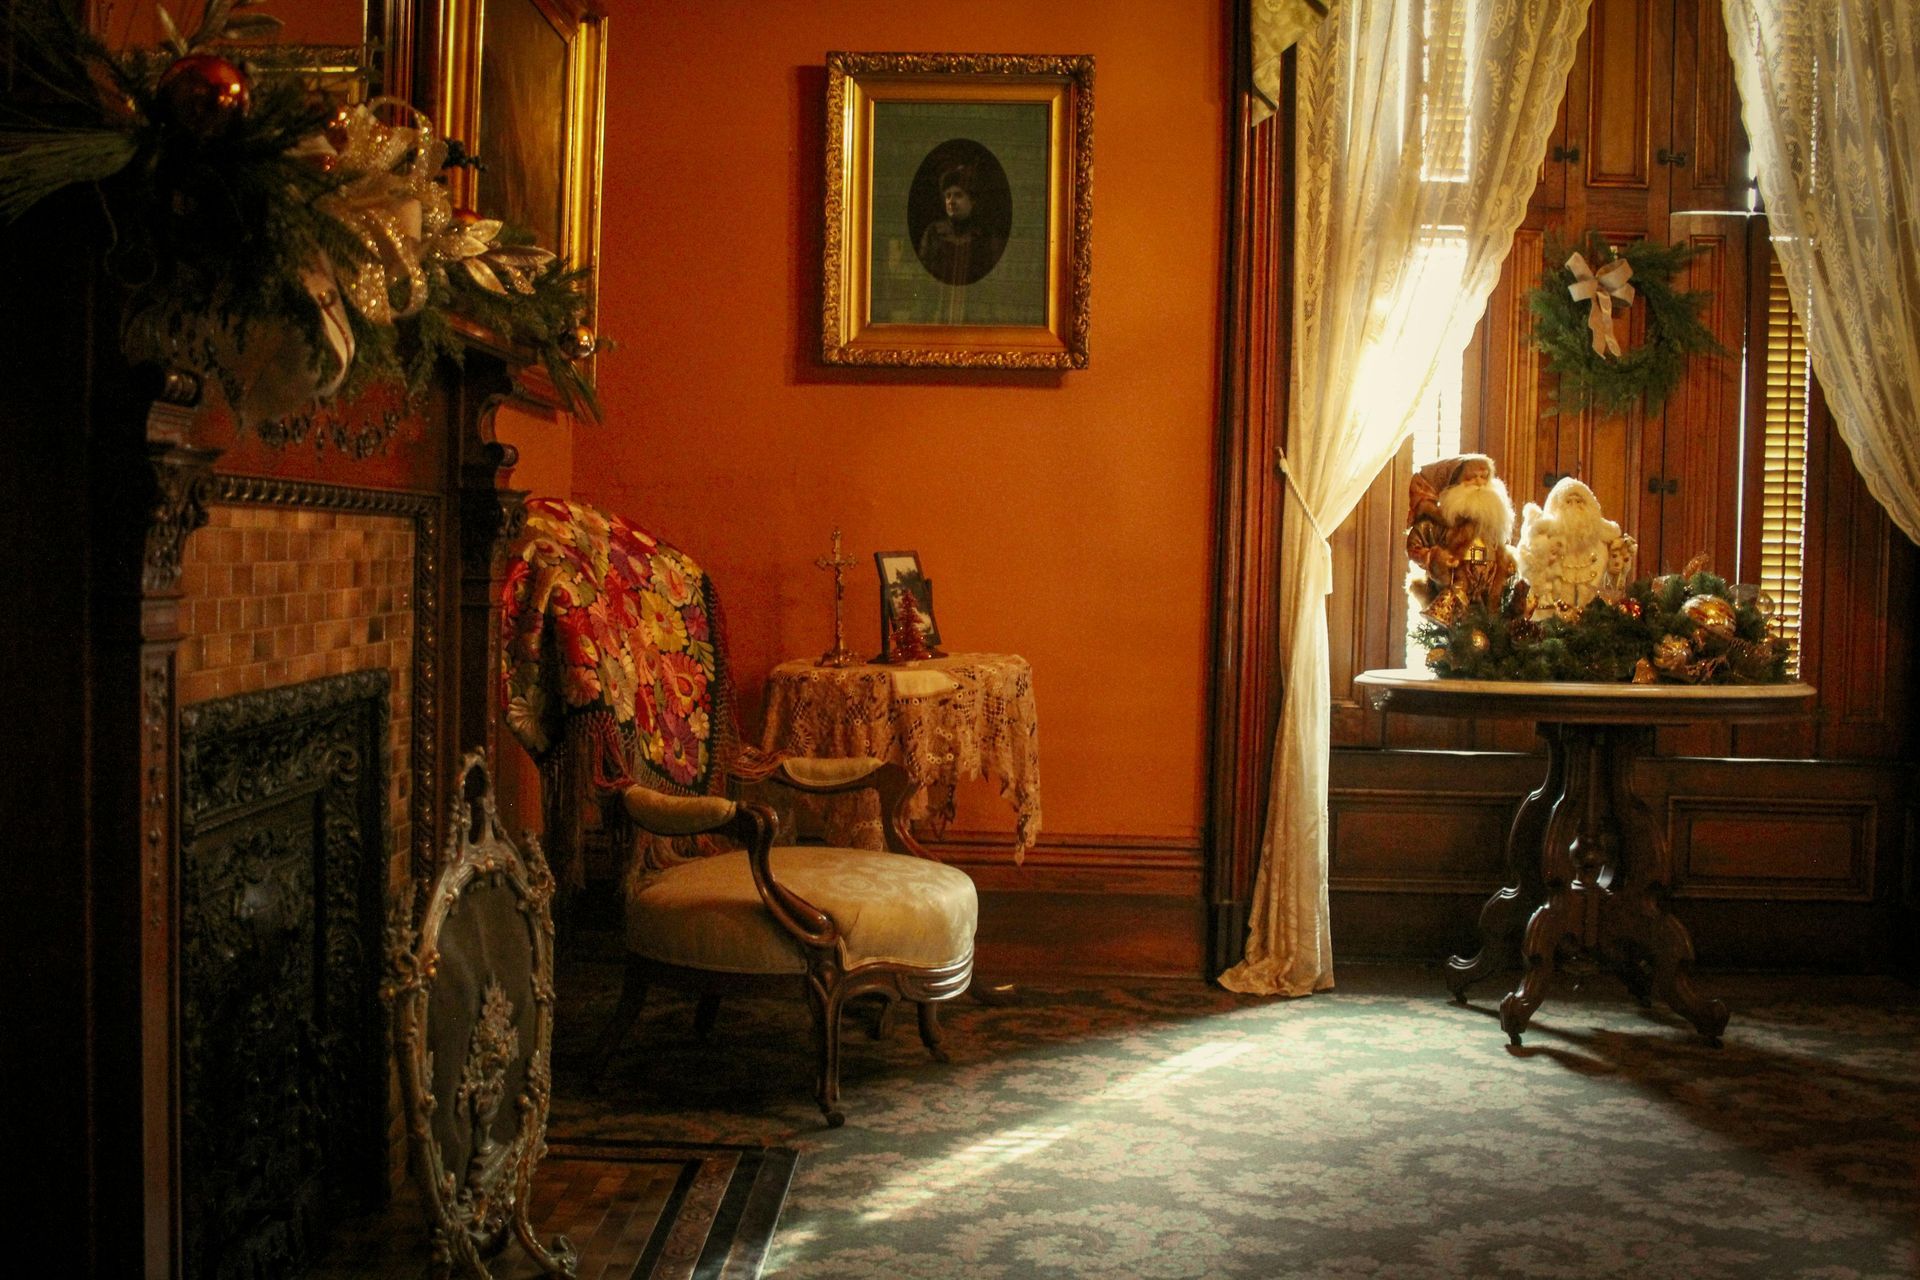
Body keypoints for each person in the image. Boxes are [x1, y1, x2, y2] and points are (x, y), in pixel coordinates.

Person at [1404, 453, 1518, 625]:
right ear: (1457, 483)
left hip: (1488, 602)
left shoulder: (1492, 525)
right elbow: (1414, 547)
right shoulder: (1438, 524)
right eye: (1472, 479)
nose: (1480, 484)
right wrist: (1435, 558)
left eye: (1484, 478)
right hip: (1452, 599)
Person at [915, 165, 1005, 287]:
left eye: (958, 195)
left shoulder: (986, 235)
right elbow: (923, 276)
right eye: (948, 196)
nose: (951, 201)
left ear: (972, 201)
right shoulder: (933, 232)